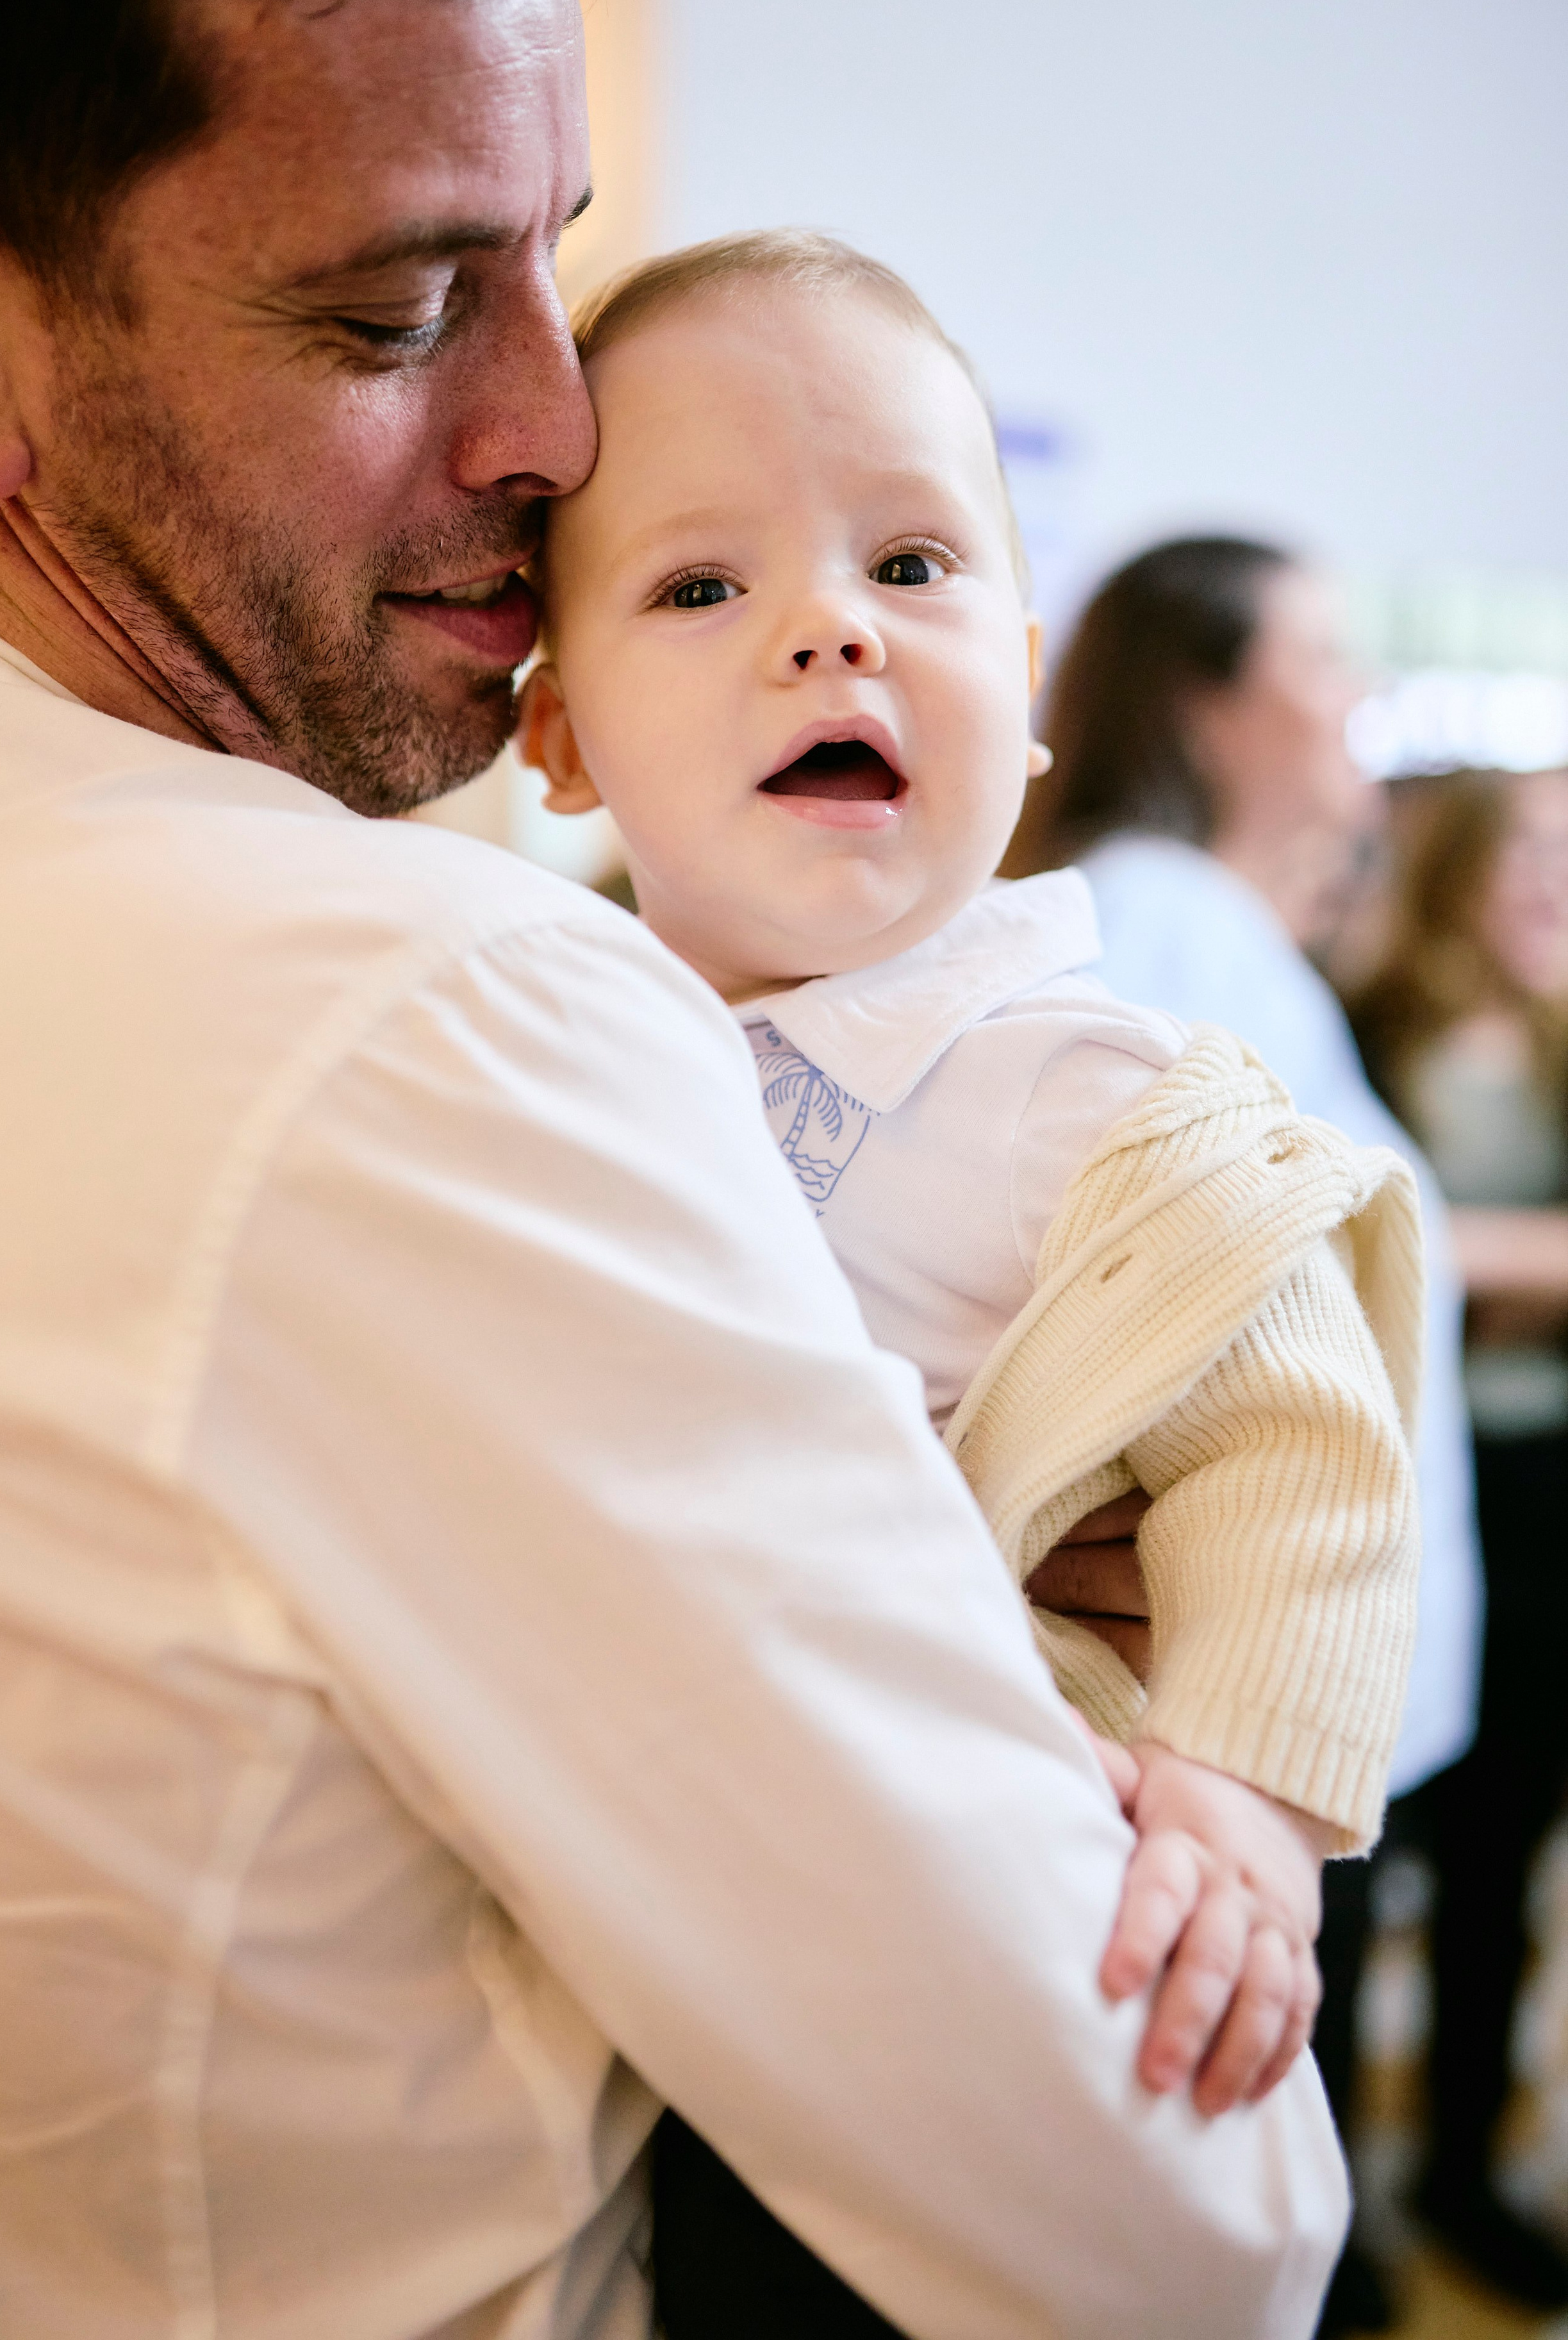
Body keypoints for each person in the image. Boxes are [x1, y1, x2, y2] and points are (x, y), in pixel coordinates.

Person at [0, 0, 1348, 2340]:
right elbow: (1183, 2223)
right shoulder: (430, 1024)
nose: (555, 427)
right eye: (393, 310)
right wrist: (994, 1624)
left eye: (548, 263)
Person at [517, 231, 1423, 2337]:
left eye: (912, 565)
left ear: (1023, 692)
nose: (831, 627)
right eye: (704, 585)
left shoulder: (1067, 1074)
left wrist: (1241, 1804)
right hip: (664, 1883)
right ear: (559, 729)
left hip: (985, 1878)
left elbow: (1303, 1450)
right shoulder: (568, 1047)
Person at [1007, 536, 1485, 2335]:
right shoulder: (1163, 921)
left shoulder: (1229, 924)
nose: (1361, 690)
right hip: (1232, 1735)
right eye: (1326, 651)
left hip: (1290, 1713)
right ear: (1207, 694)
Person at [1349, 767, 1568, 2309]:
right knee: (1387, 1829)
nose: (1549, 882)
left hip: (1555, 1482)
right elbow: (1372, 1231)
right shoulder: (1369, 1022)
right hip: (1430, 1477)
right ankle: (1339, 2188)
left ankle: (1458, 2169)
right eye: (1532, 853)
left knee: (1508, 1845)